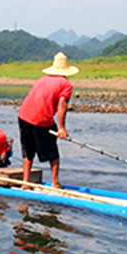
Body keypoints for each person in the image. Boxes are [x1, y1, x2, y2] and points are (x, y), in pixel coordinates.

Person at [18, 52, 79, 188]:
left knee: (28, 149)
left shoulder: (41, 79)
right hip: (40, 119)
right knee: (52, 150)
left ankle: (25, 182)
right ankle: (55, 182)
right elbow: (62, 105)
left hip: (23, 115)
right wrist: (61, 128)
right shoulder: (65, 84)